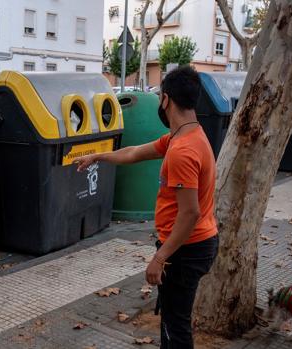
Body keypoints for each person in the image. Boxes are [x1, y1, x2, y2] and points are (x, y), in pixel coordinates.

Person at [74, 66, 218, 349]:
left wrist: (160, 257)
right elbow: (136, 152)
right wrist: (98, 156)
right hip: (194, 244)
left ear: (165, 100)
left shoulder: (183, 150)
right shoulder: (187, 137)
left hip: (185, 250)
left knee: (174, 329)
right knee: (175, 321)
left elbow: (190, 213)